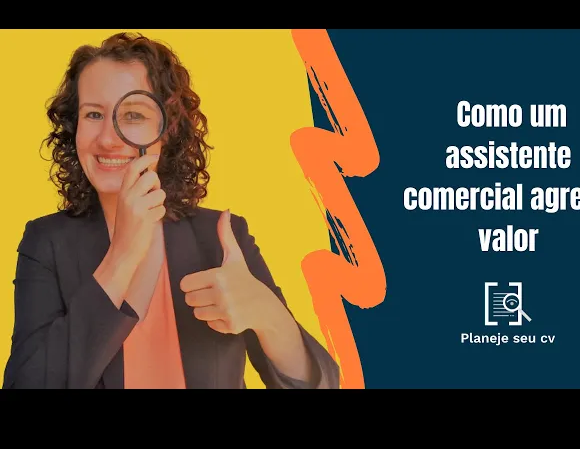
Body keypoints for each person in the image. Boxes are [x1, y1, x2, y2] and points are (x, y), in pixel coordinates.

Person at [2, 32, 340, 389]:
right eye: (94, 114)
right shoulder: (46, 242)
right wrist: (121, 256)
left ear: (166, 131)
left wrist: (268, 315)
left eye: (133, 115)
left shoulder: (221, 238)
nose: (108, 138)